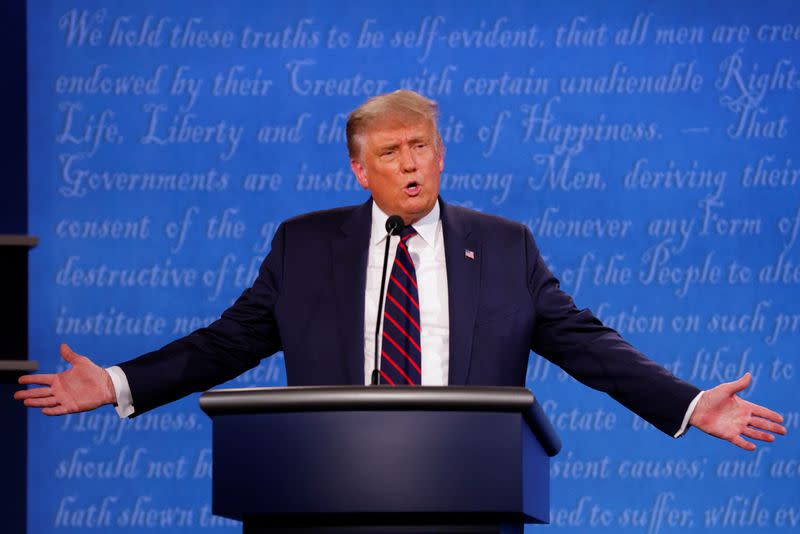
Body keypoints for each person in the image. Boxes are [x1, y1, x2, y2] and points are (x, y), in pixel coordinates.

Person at [16, 90, 785, 450]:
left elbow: (582, 342)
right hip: (327, 481)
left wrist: (686, 404)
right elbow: (225, 343)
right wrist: (117, 383)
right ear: (359, 169)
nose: (410, 162)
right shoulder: (304, 245)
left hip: (472, 482)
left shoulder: (505, 244)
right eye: (390, 151)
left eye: (422, 147)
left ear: (441, 156)